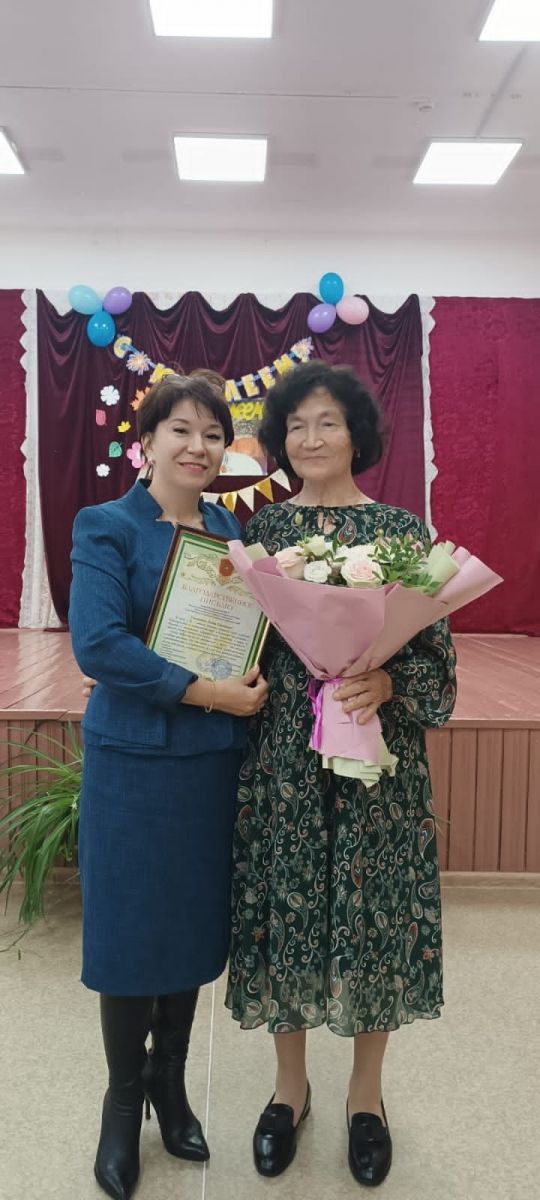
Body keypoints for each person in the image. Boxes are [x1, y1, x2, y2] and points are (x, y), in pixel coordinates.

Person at [225, 361, 457, 1187]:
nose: (311, 437)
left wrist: (388, 680)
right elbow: (236, 641)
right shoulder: (263, 534)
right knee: (285, 909)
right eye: (295, 425)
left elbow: (438, 664)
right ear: (280, 440)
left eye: (327, 421)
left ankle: (366, 1097)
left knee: (374, 916)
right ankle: (290, 1091)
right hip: (284, 758)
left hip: (376, 767)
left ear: (357, 433)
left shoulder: (402, 533)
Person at [69, 373, 268, 1200]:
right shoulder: (106, 525)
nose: (198, 446)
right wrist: (209, 692)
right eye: (180, 430)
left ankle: (170, 1084)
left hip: (209, 764)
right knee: (128, 936)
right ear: (147, 441)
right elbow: (98, 644)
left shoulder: (231, 533)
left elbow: (253, 631)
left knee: (187, 926)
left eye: (213, 434)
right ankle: (123, 1103)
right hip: (133, 764)